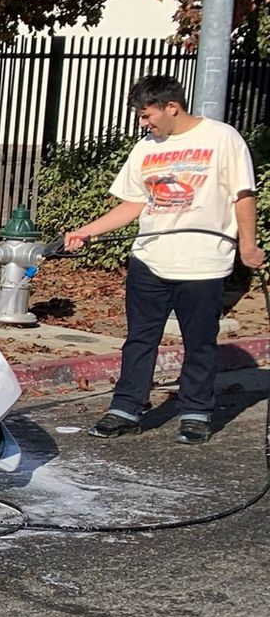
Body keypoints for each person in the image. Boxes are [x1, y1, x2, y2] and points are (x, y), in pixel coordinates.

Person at [63, 74, 263, 445]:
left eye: (147, 115)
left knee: (200, 341)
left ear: (173, 107)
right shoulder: (146, 149)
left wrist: (248, 246)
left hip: (204, 263)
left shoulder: (222, 138)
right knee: (140, 339)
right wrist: (87, 231)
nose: (143, 124)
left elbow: (243, 196)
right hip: (150, 260)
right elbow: (134, 204)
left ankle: (196, 412)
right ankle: (125, 409)